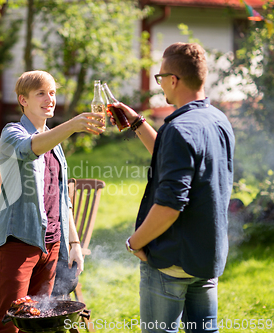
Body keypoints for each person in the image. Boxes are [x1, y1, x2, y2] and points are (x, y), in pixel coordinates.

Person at [117, 43, 235, 332]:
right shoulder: (218, 120)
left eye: (160, 78)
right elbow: (176, 156)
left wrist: (136, 242)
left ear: (173, 80)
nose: (160, 85)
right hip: (206, 257)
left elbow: (170, 206)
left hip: (172, 260)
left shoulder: (179, 128)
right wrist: (137, 122)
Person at [0, 70, 104, 333]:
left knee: (40, 323)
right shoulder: (12, 133)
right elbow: (29, 148)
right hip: (19, 241)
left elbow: (64, 199)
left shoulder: (56, 143)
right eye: (41, 93)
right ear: (23, 100)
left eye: (52, 93)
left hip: (52, 245)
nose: (49, 98)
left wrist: (73, 242)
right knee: (9, 322)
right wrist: (72, 125)